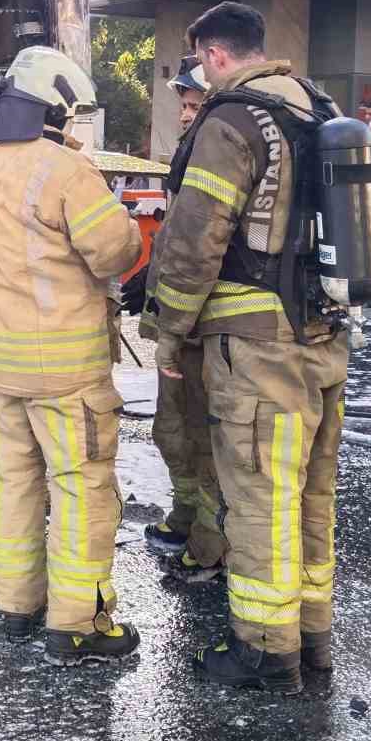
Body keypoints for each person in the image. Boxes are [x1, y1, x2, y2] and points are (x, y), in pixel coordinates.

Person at [152, 1, 346, 694]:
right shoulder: (317, 110)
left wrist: (169, 329)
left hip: (259, 347)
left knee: (261, 497)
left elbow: (195, 239)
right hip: (323, 334)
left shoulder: (233, 119)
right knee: (312, 497)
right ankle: (313, 639)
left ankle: (267, 652)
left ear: (214, 53)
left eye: (201, 57)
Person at [0, 46, 144, 667]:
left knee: (14, 481)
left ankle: (16, 604)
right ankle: (79, 622)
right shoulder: (64, 172)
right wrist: (123, 216)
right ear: (57, 106)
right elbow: (116, 254)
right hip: (65, 369)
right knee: (83, 487)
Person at [144, 57, 229, 581]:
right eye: (184, 104)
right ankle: (186, 516)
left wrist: (176, 323)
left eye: (194, 105)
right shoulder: (190, 151)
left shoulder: (219, 154)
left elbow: (202, 245)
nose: (183, 114)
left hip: (204, 322)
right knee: (173, 428)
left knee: (204, 435)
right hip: (179, 317)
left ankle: (209, 541)